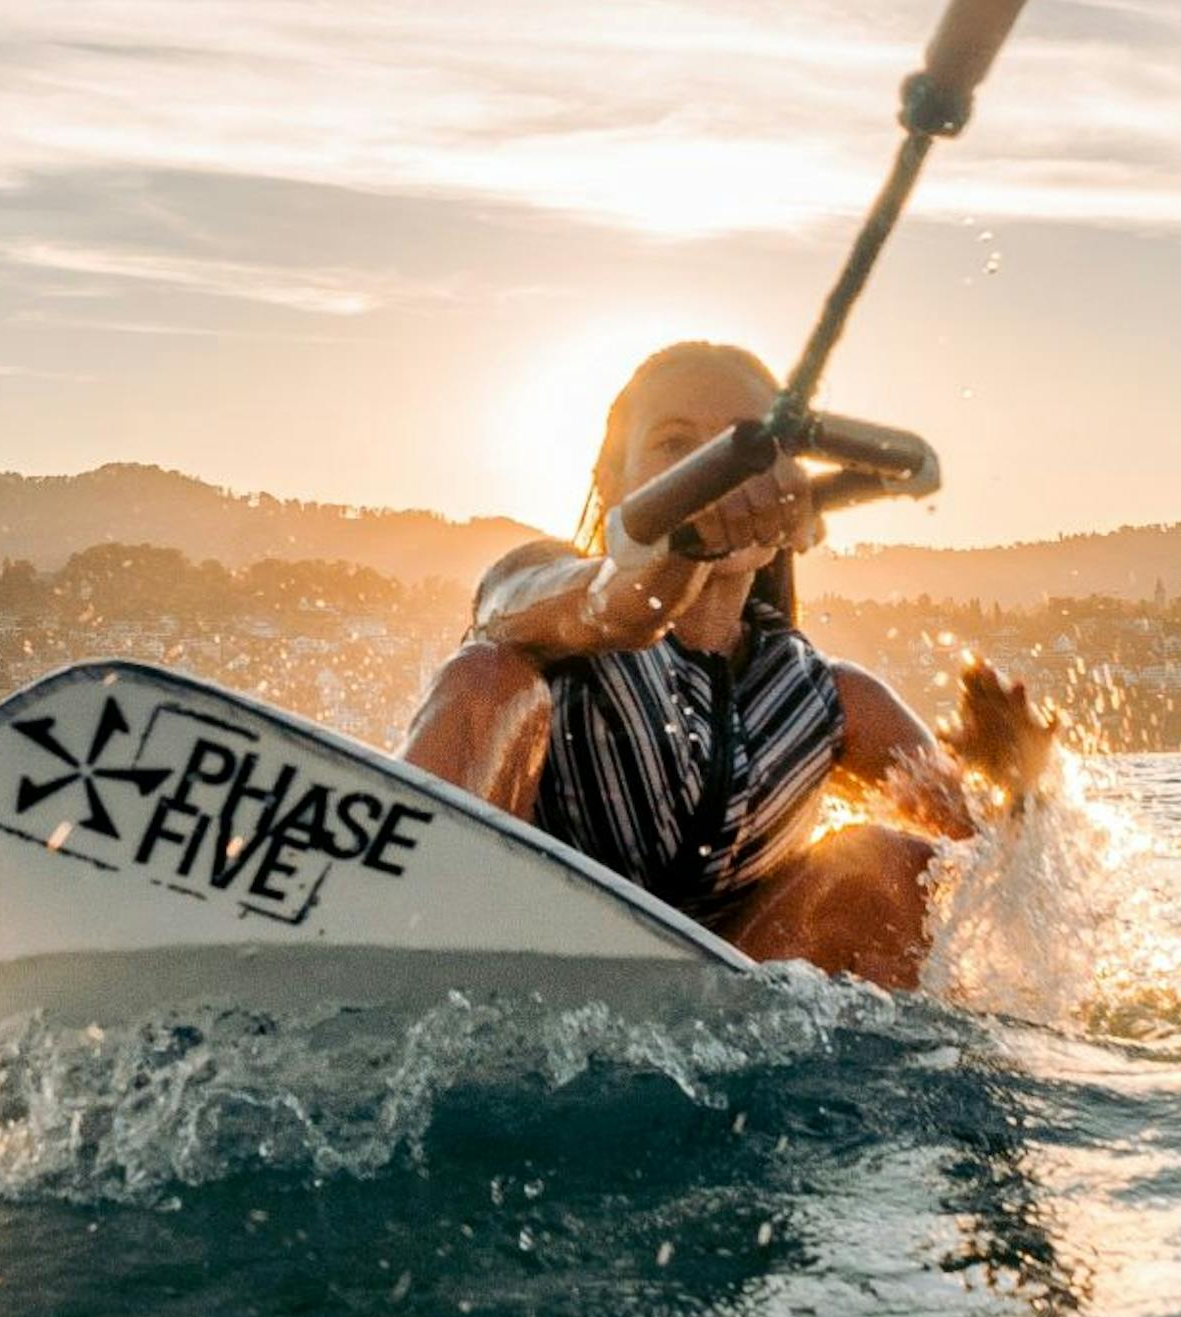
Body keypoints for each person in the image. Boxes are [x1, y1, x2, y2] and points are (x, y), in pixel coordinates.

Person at [398, 339, 1058, 991]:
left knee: (889, 865)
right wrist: (679, 552)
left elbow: (998, 869)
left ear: (788, 495)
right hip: (513, 971)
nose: (716, 471)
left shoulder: (836, 701)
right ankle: (399, 942)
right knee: (486, 679)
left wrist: (1018, 787)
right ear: (612, 481)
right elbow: (614, 608)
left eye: (745, 448)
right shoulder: (537, 582)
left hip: (726, 1013)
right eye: (675, 445)